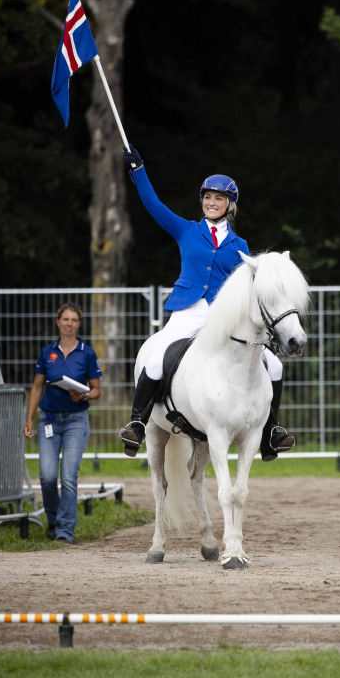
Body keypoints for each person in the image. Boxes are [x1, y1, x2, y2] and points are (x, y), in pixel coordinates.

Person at [119, 146, 295, 462]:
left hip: (222, 317)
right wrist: (138, 172)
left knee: (276, 365)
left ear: (230, 205)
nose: (211, 203)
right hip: (188, 310)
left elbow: (247, 286)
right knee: (157, 359)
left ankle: (271, 432)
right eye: (207, 197)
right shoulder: (186, 229)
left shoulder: (239, 246)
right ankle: (137, 423)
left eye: (218, 198)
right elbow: (154, 205)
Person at [24, 303, 102, 544]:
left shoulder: (86, 353)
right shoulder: (47, 352)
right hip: (48, 418)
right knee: (47, 476)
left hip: (76, 421)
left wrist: (85, 394)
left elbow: (97, 389)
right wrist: (29, 417)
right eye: (65, 319)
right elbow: (37, 386)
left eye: (74, 320)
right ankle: (54, 519)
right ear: (58, 322)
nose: (69, 323)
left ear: (79, 324)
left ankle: (65, 531)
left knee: (68, 476)